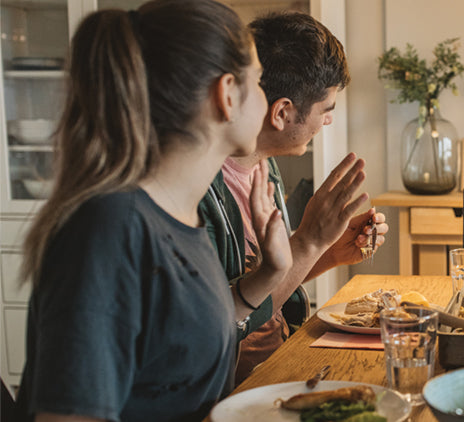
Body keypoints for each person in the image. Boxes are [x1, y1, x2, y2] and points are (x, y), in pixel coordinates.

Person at [15, 0, 293, 420]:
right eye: (258, 82)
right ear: (227, 95)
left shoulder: (180, 216)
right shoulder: (108, 231)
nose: (266, 97)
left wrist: (269, 273)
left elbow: (178, 336)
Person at [197, 11, 388, 383]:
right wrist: (309, 239)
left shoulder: (265, 166)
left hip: (279, 362)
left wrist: (327, 250)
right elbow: (222, 321)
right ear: (283, 112)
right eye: (326, 110)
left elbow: (264, 281)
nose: (328, 122)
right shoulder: (199, 189)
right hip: (235, 387)